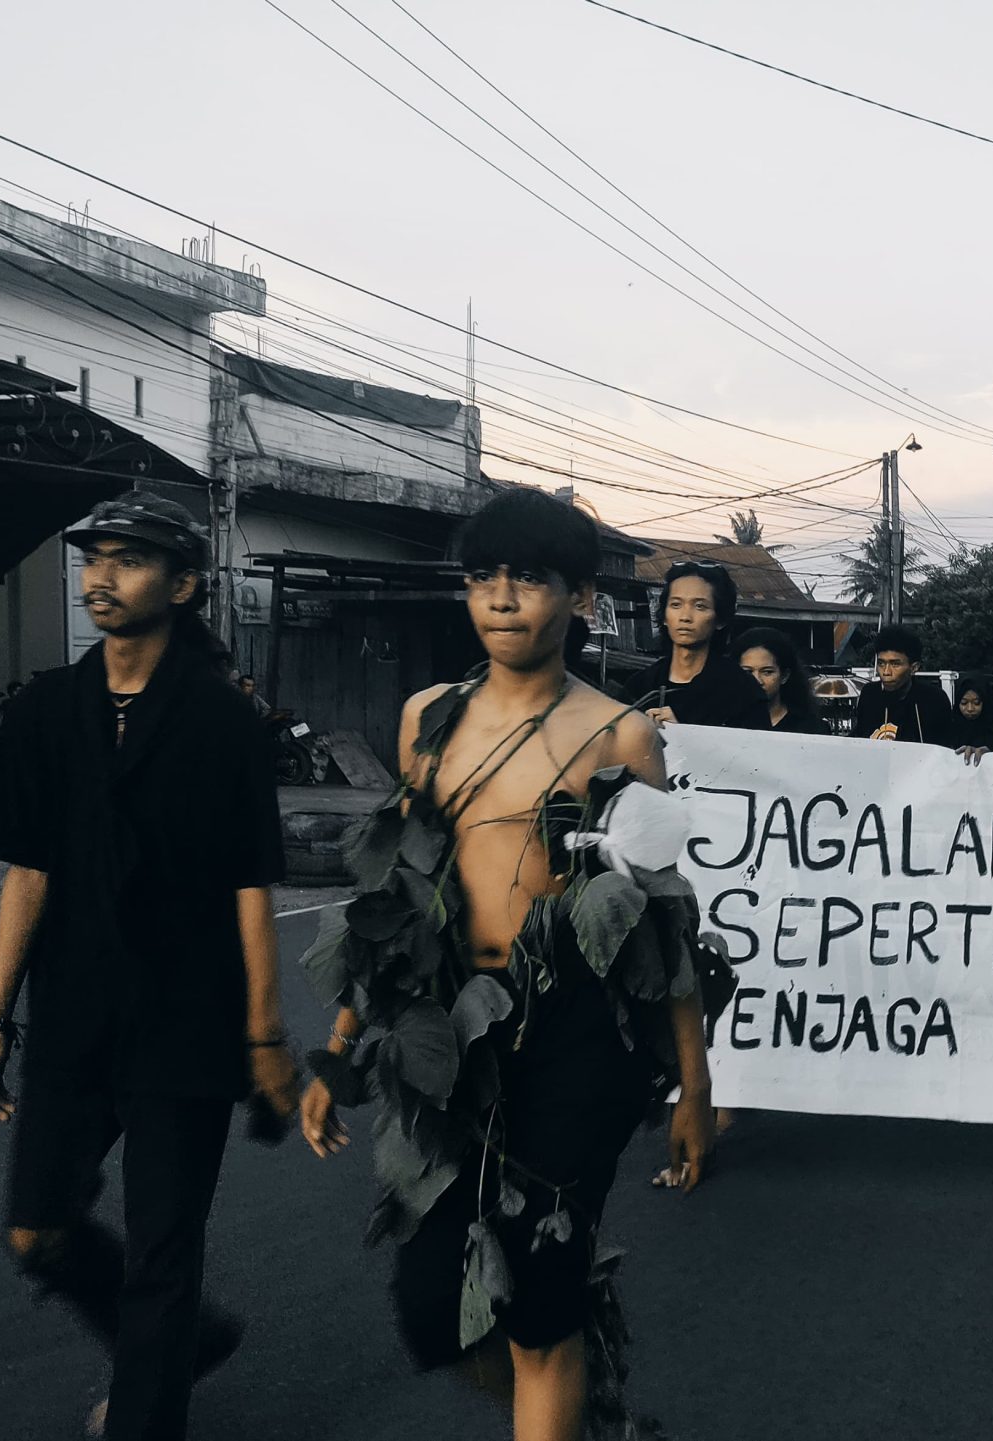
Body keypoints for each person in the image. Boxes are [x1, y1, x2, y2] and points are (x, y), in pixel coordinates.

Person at [297, 488, 720, 1441]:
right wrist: (342, 1046)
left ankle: (565, 1368)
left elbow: (663, 928)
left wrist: (694, 1085)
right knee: (431, 1309)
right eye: (482, 577)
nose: (500, 597)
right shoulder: (426, 720)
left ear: (579, 596)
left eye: (528, 577)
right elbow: (400, 899)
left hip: (574, 1040)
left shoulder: (621, 734)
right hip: (447, 1038)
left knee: (537, 1303)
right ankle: (591, 1406)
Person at [0, 492, 295, 1441]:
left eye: (130, 559)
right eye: (94, 557)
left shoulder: (222, 724)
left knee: (163, 1253)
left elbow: (249, 885)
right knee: (37, 1229)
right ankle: (179, 1346)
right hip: (73, 1015)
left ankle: (149, 1407)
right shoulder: (44, 712)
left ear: (183, 585)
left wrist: (266, 1036)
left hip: (187, 1021)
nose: (101, 576)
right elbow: (29, 870)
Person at [623, 560, 769, 730]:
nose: (685, 616)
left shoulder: (742, 691)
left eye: (700, 606)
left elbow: (753, 753)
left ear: (720, 619)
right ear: (664, 616)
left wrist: (684, 733)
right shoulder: (640, 685)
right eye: (676, 605)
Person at [849, 624, 956, 747]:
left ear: (914, 667)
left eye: (895, 664)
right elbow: (860, 737)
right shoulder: (870, 694)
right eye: (881, 663)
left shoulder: (934, 699)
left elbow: (948, 747)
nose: (886, 672)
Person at [734, 626, 827, 736]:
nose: (757, 680)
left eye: (767, 672)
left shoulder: (811, 728)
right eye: (748, 672)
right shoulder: (726, 722)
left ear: (784, 676)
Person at [945, 679, 993, 761]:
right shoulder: (947, 734)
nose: (970, 709)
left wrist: (991, 754)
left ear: (986, 703)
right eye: (964, 703)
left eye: (976, 703)